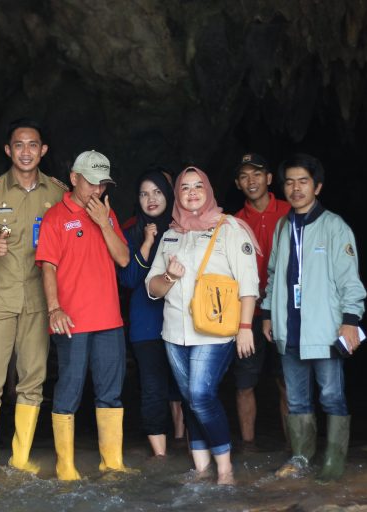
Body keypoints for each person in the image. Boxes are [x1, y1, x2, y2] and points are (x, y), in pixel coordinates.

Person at [0, 118, 67, 489]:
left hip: (39, 299)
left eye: (33, 145)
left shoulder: (58, 193)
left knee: (33, 379)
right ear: (8, 150)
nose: (26, 152)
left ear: (43, 150)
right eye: (19, 145)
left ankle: (20, 457)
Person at [146, 166, 259, 486]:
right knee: (189, 398)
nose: (192, 192)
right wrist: (169, 276)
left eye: (198, 186)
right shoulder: (171, 234)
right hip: (174, 333)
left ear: (208, 191)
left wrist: (246, 326)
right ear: (177, 195)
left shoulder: (229, 228)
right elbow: (152, 288)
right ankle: (201, 468)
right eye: (184, 187)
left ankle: (224, 469)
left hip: (213, 332)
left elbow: (248, 283)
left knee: (200, 395)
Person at [262, 153, 366, 482]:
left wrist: (350, 320)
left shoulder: (335, 227)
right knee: (296, 398)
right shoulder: (283, 226)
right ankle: (301, 458)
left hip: (324, 329)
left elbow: (350, 280)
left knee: (331, 395)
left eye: (303, 182)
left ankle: (333, 462)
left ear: (317, 187)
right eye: (290, 182)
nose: (296, 188)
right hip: (289, 327)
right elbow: (273, 273)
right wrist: (268, 314)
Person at [36, 150, 130, 480]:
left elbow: (123, 259)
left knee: (111, 392)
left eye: (103, 184)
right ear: (74, 178)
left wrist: (104, 223)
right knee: (69, 390)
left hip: (109, 320)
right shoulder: (55, 218)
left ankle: (112, 463)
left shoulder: (107, 213)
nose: (97, 190)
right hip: (72, 320)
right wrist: (54, 308)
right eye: (91, 183)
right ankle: (65, 465)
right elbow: (48, 267)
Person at [117, 168, 184, 457]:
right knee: (153, 387)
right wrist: (146, 242)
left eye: (157, 192)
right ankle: (160, 455)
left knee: (183, 385)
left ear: (168, 195)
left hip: (180, 319)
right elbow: (129, 280)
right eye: (144, 194)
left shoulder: (184, 230)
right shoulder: (130, 232)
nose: (151, 199)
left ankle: (181, 438)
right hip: (145, 322)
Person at [232, 153, 290, 446]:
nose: (251, 181)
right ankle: (248, 449)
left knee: (287, 382)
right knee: (244, 383)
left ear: (269, 179)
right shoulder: (233, 223)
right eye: (244, 176)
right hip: (248, 315)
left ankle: (295, 450)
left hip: (285, 312)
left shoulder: (291, 212)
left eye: (257, 174)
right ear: (237, 183)